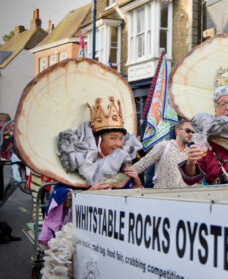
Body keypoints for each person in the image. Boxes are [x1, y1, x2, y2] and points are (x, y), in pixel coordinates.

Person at [39, 96, 142, 245]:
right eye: (113, 138)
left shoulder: (121, 167)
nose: (119, 144)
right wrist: (87, 195)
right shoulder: (78, 167)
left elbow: (133, 204)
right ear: (99, 140)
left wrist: (136, 182)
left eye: (121, 139)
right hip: (81, 237)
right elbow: (60, 199)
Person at [124, 119, 194, 188]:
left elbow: (192, 178)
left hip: (182, 196)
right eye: (188, 131)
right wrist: (124, 176)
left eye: (192, 132)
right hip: (162, 196)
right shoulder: (165, 145)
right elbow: (144, 162)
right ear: (177, 130)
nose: (190, 134)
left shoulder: (190, 153)